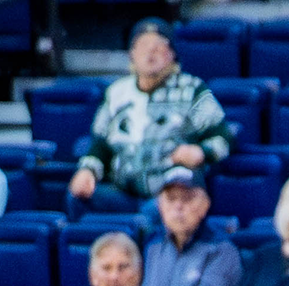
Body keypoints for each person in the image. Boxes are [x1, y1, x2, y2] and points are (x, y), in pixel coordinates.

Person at [68, 19, 231, 219]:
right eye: (143, 46)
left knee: (153, 213)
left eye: (158, 46)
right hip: (122, 192)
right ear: (132, 54)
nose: (150, 52)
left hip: (168, 193)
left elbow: (225, 137)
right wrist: (88, 171)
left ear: (171, 54)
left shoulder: (193, 89)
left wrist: (201, 152)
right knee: (76, 197)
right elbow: (100, 145)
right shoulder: (117, 92)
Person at [142, 166, 239, 286]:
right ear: (159, 205)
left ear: (205, 205)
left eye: (187, 199)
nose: (178, 207)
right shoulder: (151, 245)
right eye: (171, 199)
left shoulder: (222, 251)